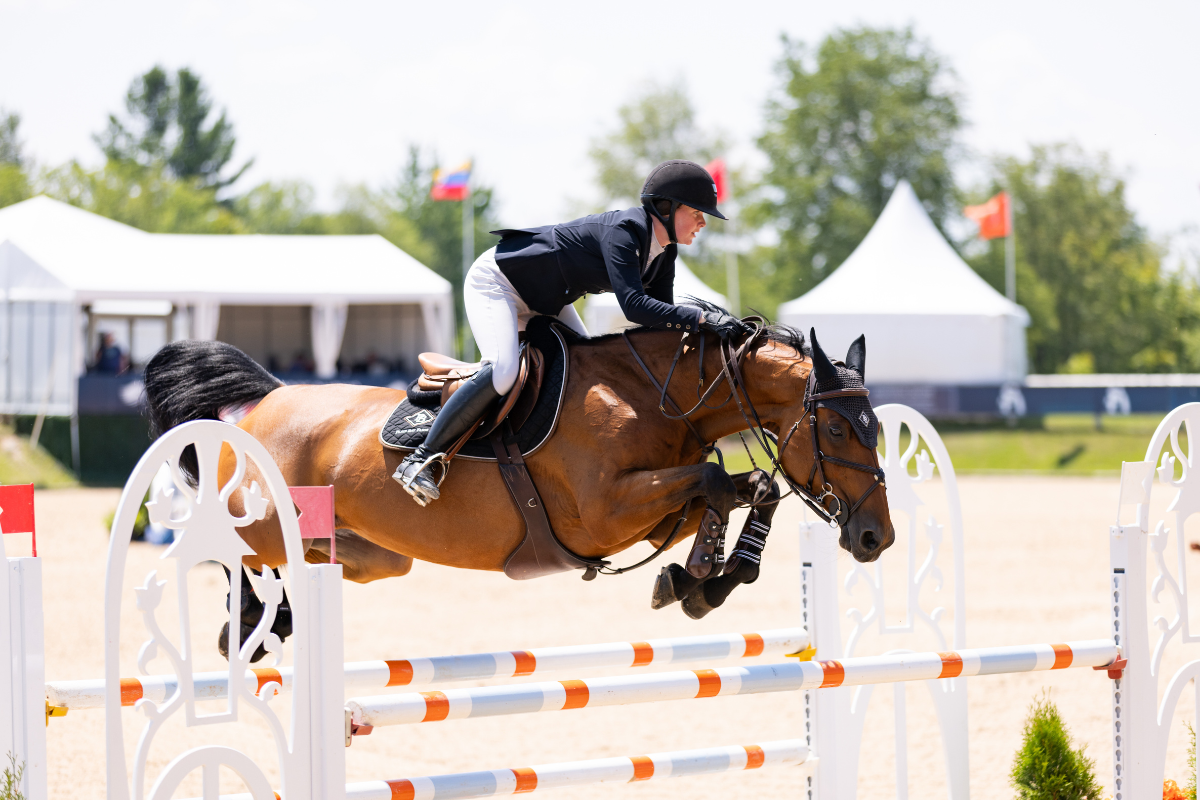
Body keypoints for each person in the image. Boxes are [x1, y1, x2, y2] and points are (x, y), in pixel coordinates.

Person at [394, 159, 748, 506]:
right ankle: (421, 458)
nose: (703, 222)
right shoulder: (625, 232)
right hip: (499, 283)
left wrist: (715, 335)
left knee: (586, 364)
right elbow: (634, 307)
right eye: (698, 211)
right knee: (503, 371)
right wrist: (701, 319)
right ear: (666, 208)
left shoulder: (664, 252)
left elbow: (660, 323)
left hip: (548, 299)